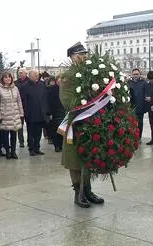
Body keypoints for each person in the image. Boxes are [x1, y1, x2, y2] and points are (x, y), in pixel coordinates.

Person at [60, 42, 104, 208]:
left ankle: (88, 190)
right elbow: (66, 101)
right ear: (72, 57)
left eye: (85, 54)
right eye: (80, 55)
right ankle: (78, 193)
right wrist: (86, 105)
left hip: (92, 121)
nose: (84, 57)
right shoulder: (67, 76)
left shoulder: (92, 73)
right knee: (75, 160)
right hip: (76, 123)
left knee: (89, 157)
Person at [0, 72, 24, 160]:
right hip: (4, 115)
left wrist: (21, 114)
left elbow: (19, 101)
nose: (8, 79)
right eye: (6, 77)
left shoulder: (15, 88)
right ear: (2, 79)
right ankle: (7, 152)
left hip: (14, 115)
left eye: (9, 77)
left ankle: (13, 151)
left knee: (14, 135)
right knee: (5, 135)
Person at [23, 70, 49, 156]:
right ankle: (31, 149)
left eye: (37, 75)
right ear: (30, 76)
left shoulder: (42, 85)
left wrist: (46, 111)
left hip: (40, 113)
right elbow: (24, 101)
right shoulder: (25, 86)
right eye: (34, 75)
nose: (36, 76)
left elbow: (45, 98)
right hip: (30, 113)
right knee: (31, 133)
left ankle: (37, 148)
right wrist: (25, 112)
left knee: (38, 132)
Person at [46, 76, 65, 152]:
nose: (60, 82)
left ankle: (61, 145)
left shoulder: (65, 89)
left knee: (62, 129)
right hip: (55, 111)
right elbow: (49, 101)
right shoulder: (51, 89)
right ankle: (57, 145)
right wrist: (49, 112)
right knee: (55, 130)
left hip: (63, 111)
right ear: (56, 81)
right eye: (59, 81)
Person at [129, 68, 148, 140]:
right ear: (132, 75)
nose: (135, 76)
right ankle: (132, 137)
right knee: (132, 123)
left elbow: (147, 93)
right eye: (134, 74)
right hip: (131, 107)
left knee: (140, 123)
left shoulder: (144, 83)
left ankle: (139, 138)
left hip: (140, 106)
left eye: (137, 74)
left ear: (140, 74)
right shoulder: (129, 83)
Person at [144, 71, 153, 145]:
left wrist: (152, 99)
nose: (151, 81)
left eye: (152, 79)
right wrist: (146, 98)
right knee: (152, 124)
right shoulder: (147, 85)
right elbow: (145, 93)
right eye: (149, 80)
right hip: (149, 106)